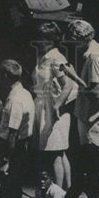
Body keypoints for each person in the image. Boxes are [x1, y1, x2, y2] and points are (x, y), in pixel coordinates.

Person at [31, 21, 78, 188]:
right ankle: (67, 190)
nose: (38, 41)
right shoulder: (43, 57)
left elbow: (68, 84)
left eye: (42, 38)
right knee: (59, 152)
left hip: (54, 110)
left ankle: (58, 193)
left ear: (51, 40)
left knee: (55, 153)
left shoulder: (57, 59)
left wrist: (57, 105)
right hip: (45, 107)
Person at [0, 59, 34, 198]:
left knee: (10, 190)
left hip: (14, 149)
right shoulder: (24, 93)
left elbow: (12, 134)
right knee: (13, 189)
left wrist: (5, 160)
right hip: (20, 146)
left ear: (5, 76)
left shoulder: (15, 100)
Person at [68, 18, 99, 167]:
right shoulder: (98, 48)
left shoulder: (94, 57)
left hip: (92, 117)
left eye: (73, 40)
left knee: (96, 161)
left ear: (80, 40)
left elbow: (95, 94)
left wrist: (73, 76)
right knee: (96, 158)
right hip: (93, 115)